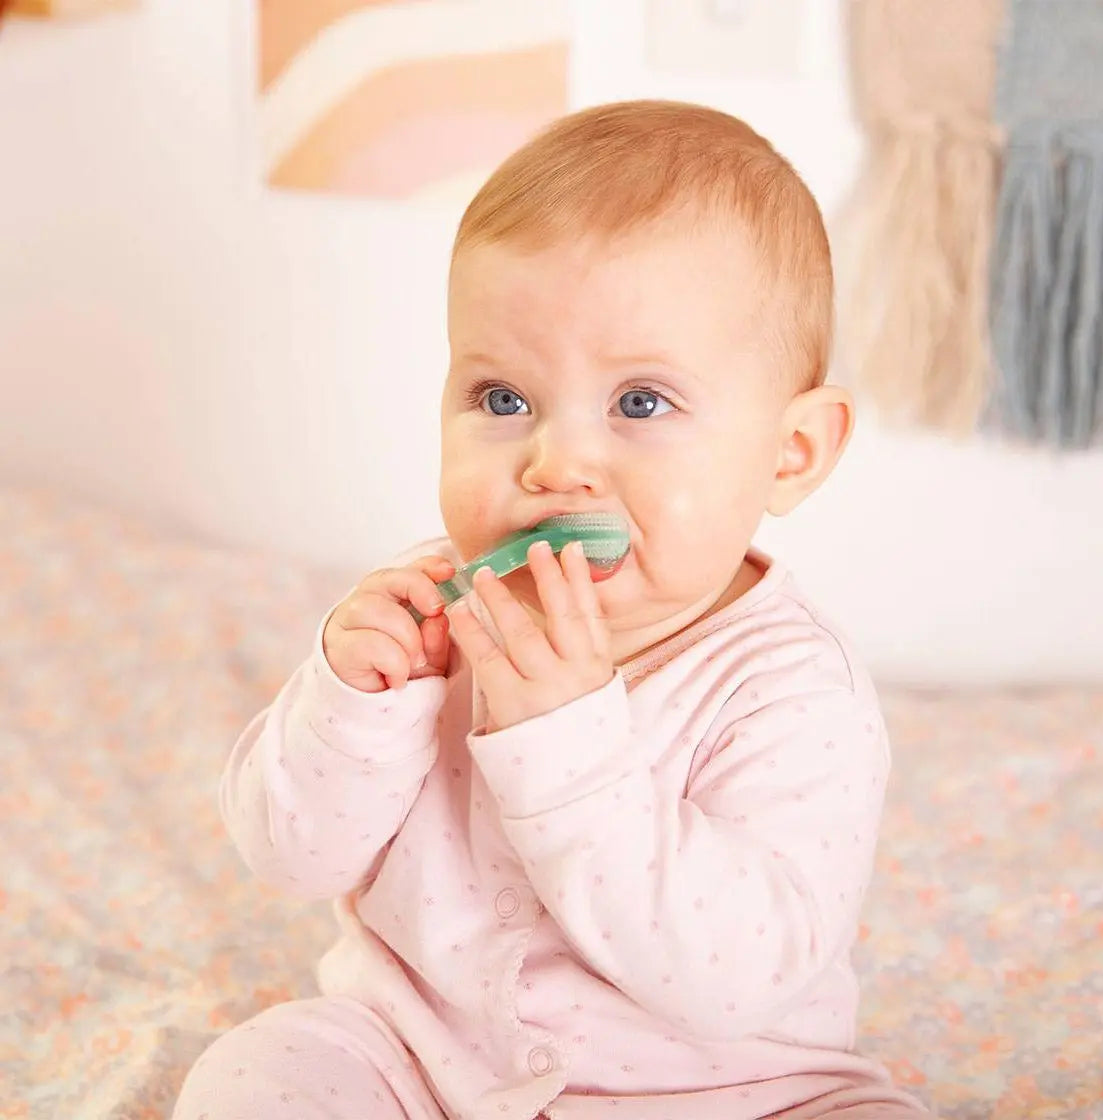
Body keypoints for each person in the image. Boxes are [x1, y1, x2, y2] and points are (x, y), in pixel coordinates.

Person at [173, 100, 931, 1120]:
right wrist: (348, 698)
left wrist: (562, 738)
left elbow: (734, 977)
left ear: (790, 452)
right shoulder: (437, 611)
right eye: (501, 399)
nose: (555, 463)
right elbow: (288, 855)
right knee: (256, 1075)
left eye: (640, 403)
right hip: (423, 1059)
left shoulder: (791, 690)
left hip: (729, 1094)